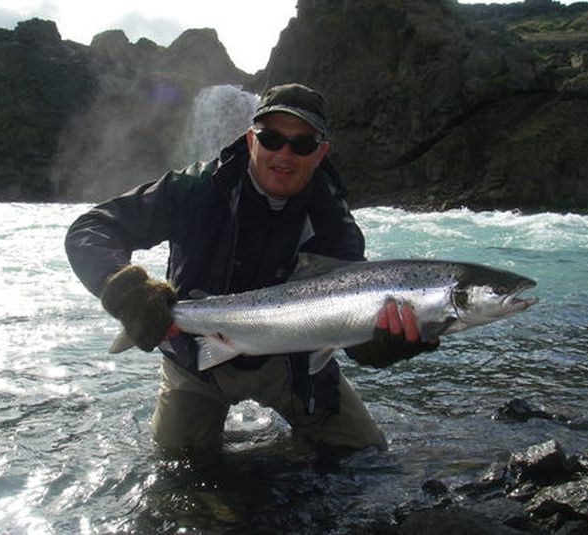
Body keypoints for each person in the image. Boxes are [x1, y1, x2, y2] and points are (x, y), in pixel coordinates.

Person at [65, 83, 438, 452]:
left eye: (302, 144)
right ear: (250, 140)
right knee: (178, 467)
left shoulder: (334, 224)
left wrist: (391, 342)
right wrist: (125, 290)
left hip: (291, 362)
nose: (285, 154)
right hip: (195, 356)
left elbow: (354, 337)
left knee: (365, 453)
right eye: (271, 138)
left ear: (320, 153)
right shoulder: (195, 187)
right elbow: (92, 228)